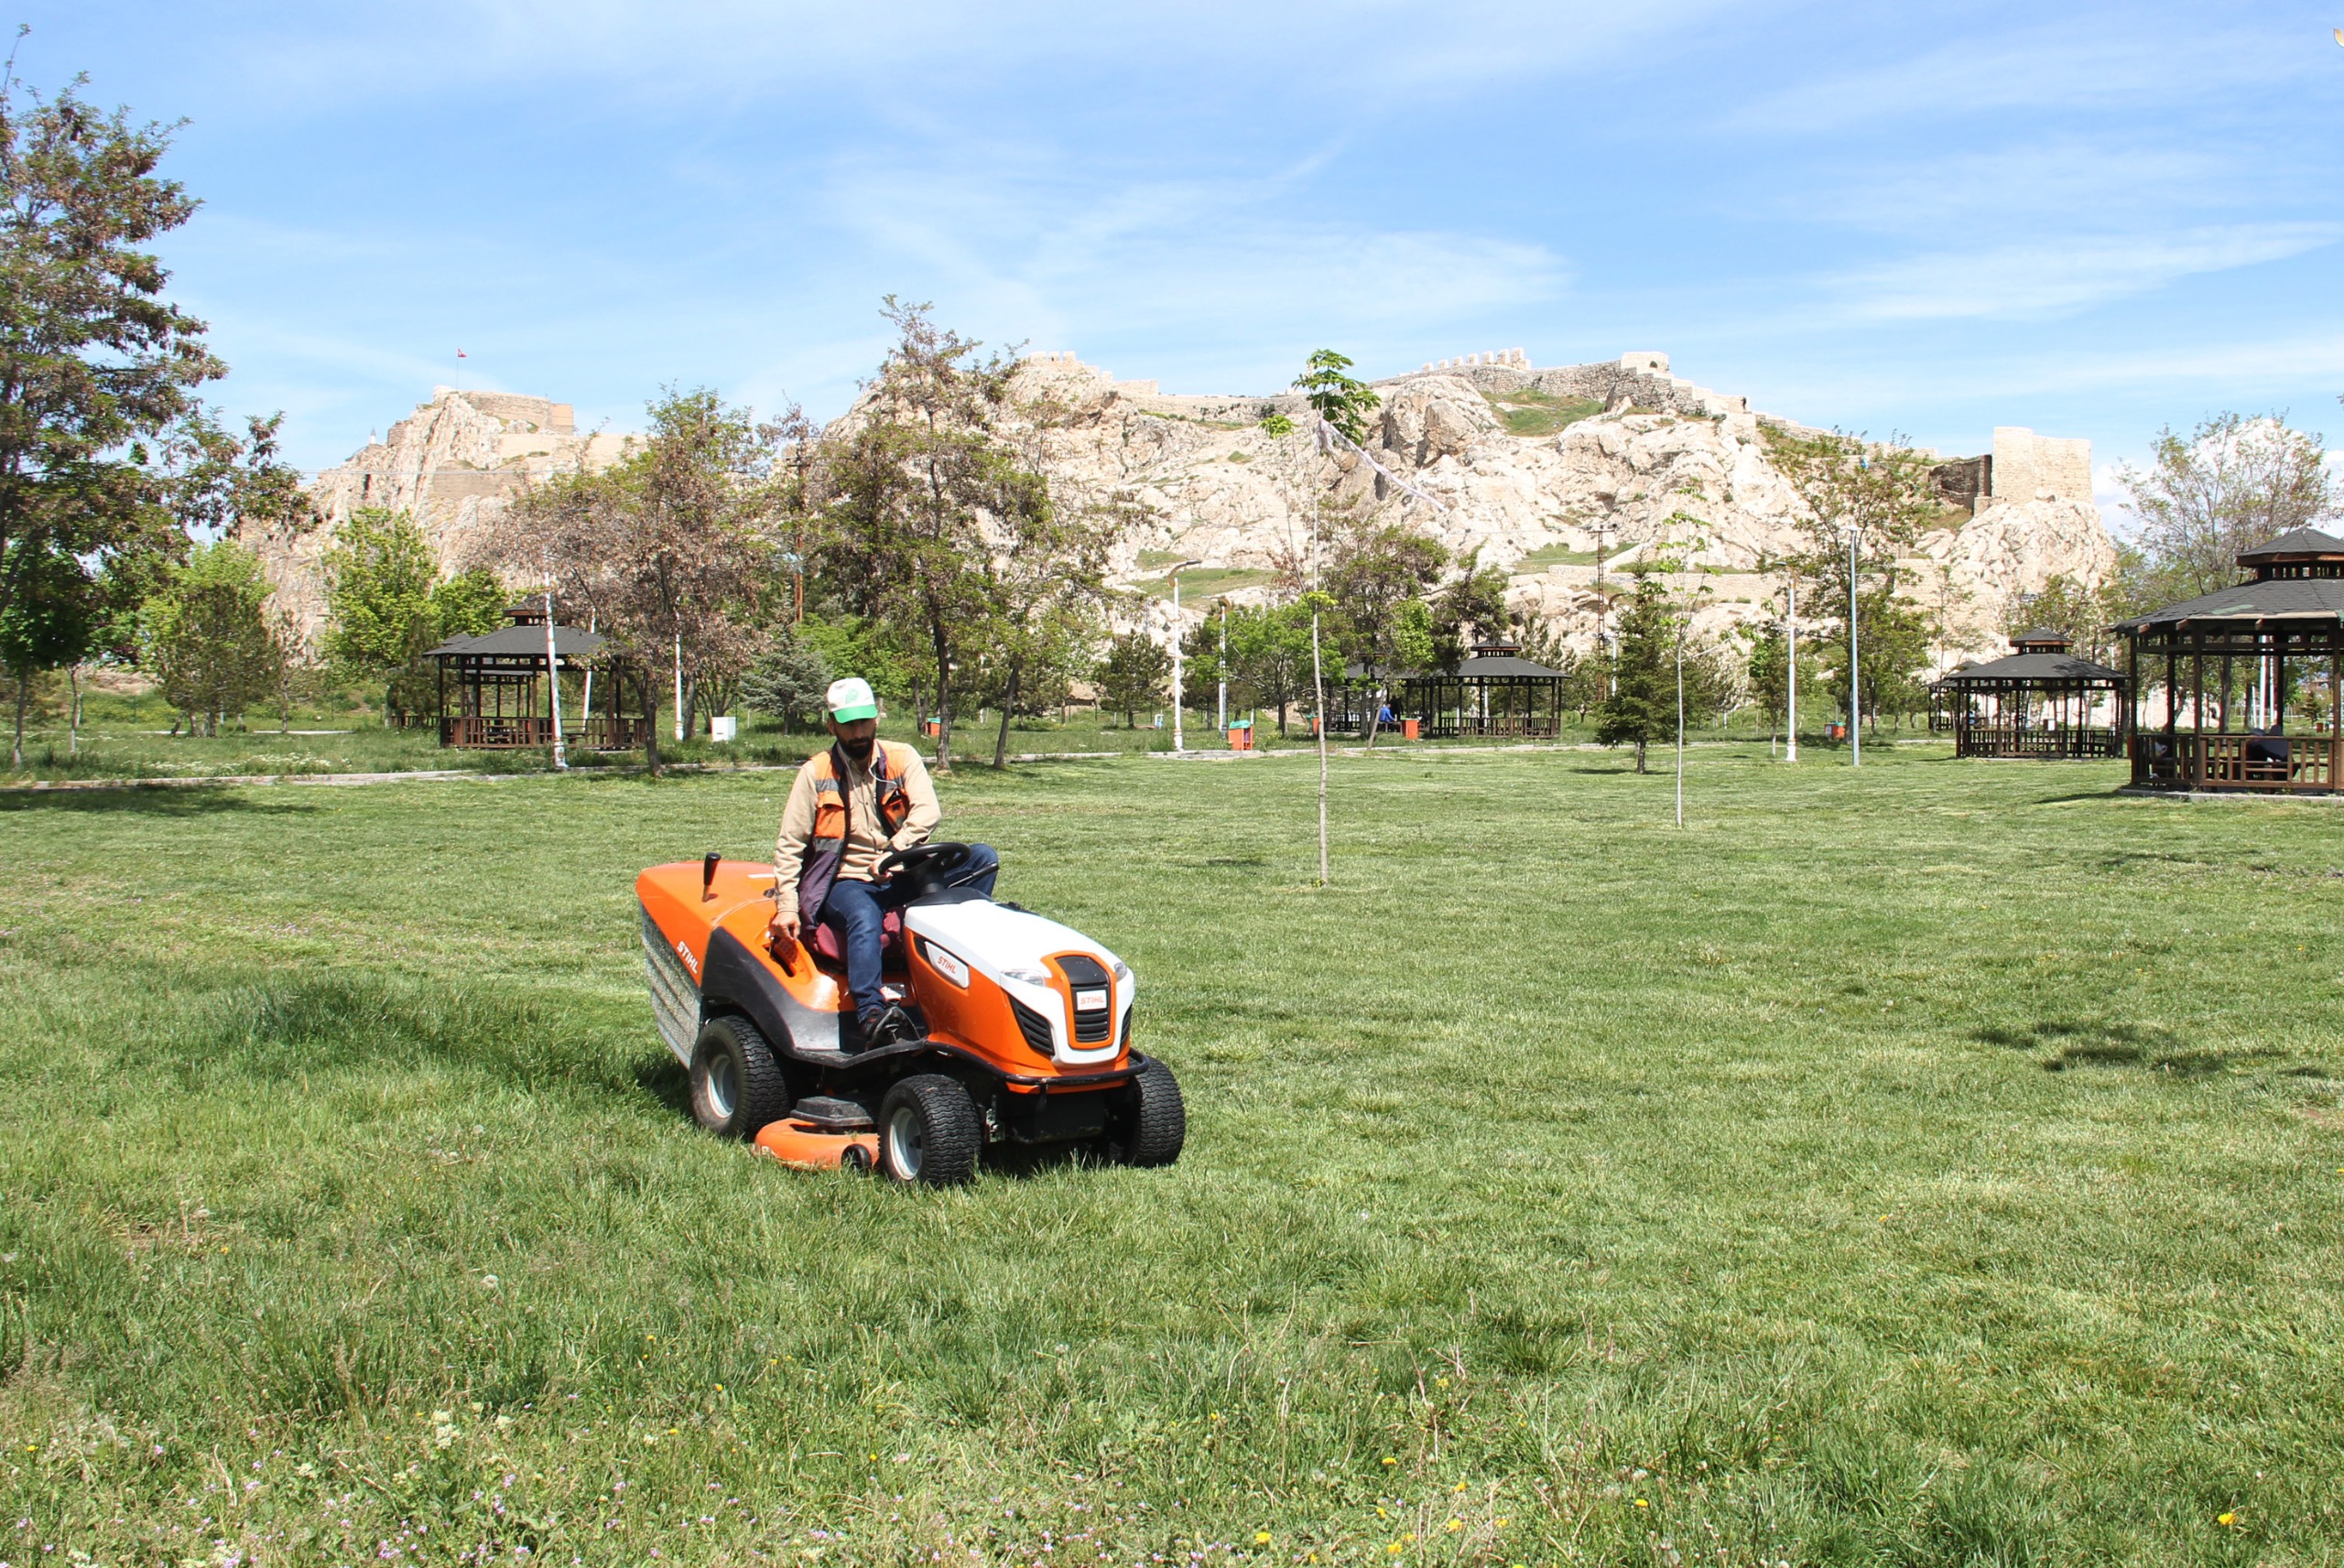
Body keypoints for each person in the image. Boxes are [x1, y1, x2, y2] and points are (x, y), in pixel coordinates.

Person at [768, 677, 999, 1047]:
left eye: (864, 722)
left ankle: (957, 978)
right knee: (863, 916)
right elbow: (791, 844)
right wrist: (786, 907)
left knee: (983, 859)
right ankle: (871, 1014)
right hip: (846, 881)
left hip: (901, 870)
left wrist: (896, 849)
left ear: (876, 720)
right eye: (848, 724)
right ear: (832, 725)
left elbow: (928, 811)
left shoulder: (903, 757)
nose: (858, 733)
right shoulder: (815, 773)